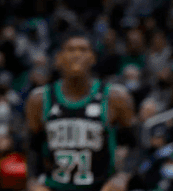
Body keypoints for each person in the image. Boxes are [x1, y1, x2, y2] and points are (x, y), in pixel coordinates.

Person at [25, 32, 136, 191]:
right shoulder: (39, 99)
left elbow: (137, 143)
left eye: (83, 50)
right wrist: (33, 181)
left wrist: (123, 176)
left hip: (100, 186)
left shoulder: (115, 97)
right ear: (59, 58)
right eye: (70, 50)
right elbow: (32, 147)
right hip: (55, 185)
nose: (77, 55)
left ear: (93, 57)